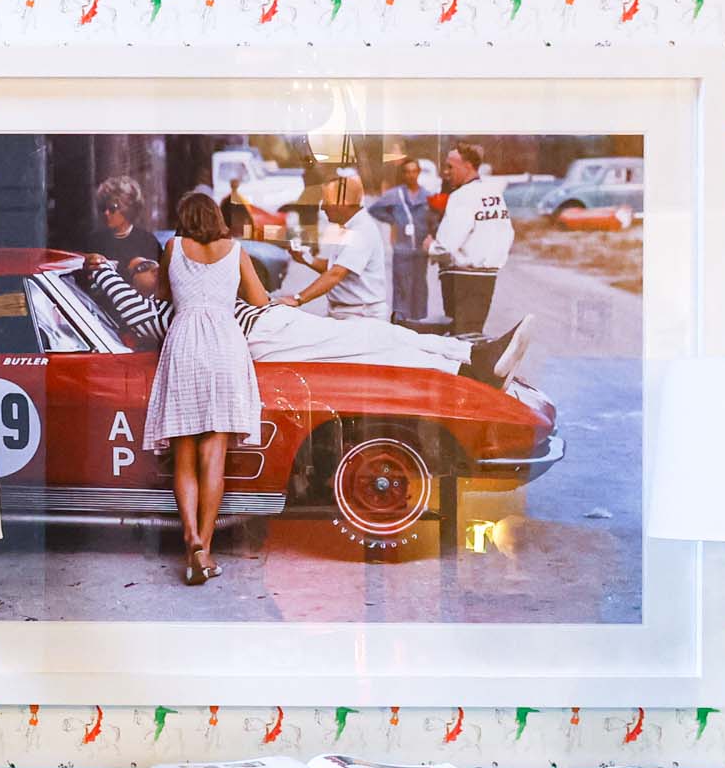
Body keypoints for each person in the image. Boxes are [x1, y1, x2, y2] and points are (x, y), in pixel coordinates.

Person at [84, 255, 531, 387]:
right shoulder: (158, 312)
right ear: (135, 284)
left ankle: (471, 354)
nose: (156, 267)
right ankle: (467, 368)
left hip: (270, 324)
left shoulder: (182, 295)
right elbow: (133, 313)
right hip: (262, 338)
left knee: (375, 333)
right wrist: (102, 270)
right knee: (370, 349)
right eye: (143, 268)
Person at [140, 191, 268, 586]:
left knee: (184, 454)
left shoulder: (174, 248)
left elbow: (163, 295)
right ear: (216, 217)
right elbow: (259, 299)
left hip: (185, 345)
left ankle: (190, 538)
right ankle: (205, 550)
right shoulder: (237, 251)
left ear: (184, 218)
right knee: (214, 457)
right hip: (225, 346)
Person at [429, 141, 515, 336]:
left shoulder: (461, 196)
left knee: (459, 333)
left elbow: (445, 246)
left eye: (450, 167)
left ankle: (468, 355)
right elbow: (507, 233)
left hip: (461, 277)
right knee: (473, 330)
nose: (446, 172)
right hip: (488, 276)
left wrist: (429, 247)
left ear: (467, 166)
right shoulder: (494, 194)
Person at [280, 170, 387, 320]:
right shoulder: (346, 227)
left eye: (326, 201)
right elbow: (335, 267)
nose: (322, 207)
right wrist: (306, 259)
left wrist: (298, 299)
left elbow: (336, 274)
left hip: (360, 316)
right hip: (347, 312)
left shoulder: (361, 231)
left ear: (343, 203)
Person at [368, 155, 436, 322]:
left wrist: (432, 236)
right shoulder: (395, 194)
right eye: (407, 172)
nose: (411, 175)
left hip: (420, 250)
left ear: (419, 172)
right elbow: (374, 209)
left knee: (420, 287)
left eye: (414, 171)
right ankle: (400, 320)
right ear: (403, 174)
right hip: (402, 249)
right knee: (401, 286)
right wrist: (393, 220)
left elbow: (434, 221)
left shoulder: (428, 196)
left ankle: (419, 321)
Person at [85, 174, 156, 272]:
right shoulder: (94, 240)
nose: (106, 213)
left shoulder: (147, 241)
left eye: (112, 208)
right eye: (103, 207)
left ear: (128, 208)